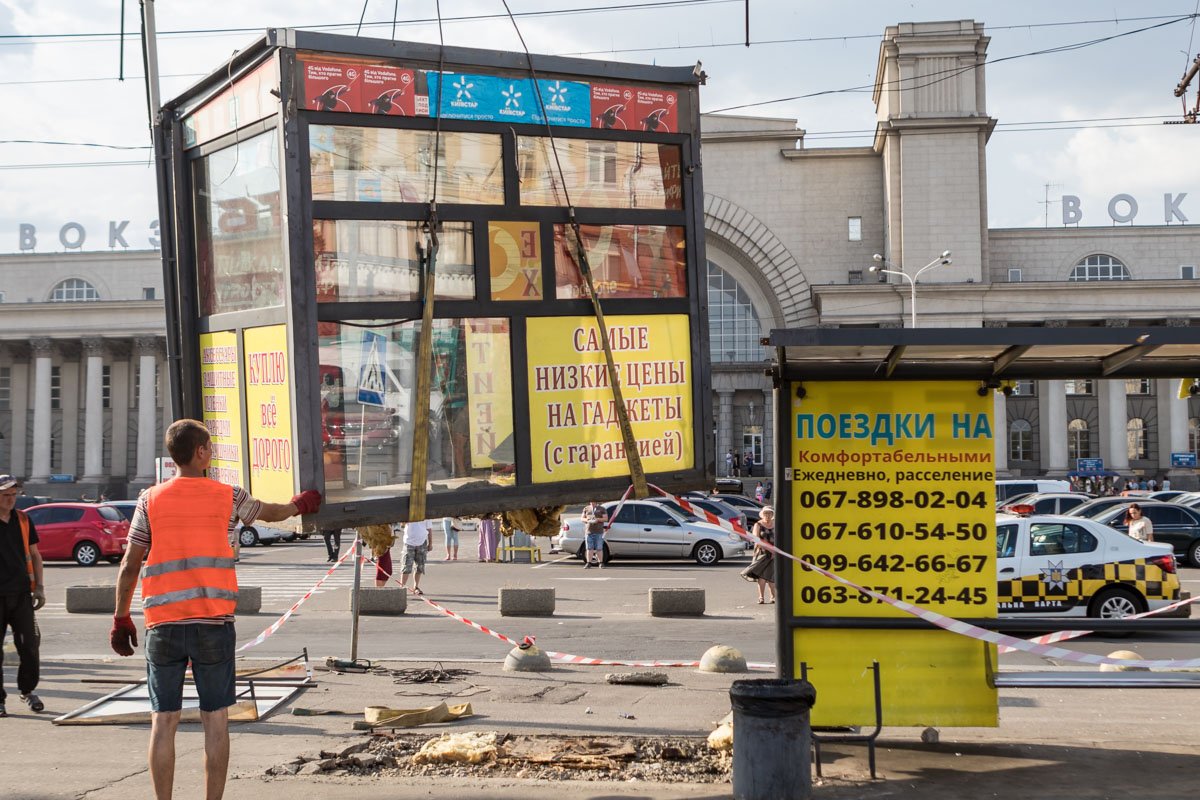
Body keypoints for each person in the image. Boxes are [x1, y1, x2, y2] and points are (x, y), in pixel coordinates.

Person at [110, 419, 321, 800]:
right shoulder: (227, 495)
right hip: (213, 622)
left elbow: (130, 563)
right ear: (200, 452)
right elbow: (270, 513)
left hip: (164, 625)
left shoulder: (149, 500)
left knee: (163, 720)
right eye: (210, 445)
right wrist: (300, 504)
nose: (213, 451)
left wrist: (121, 617)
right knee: (216, 720)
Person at [0, 474, 46, 718]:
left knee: (29, 645)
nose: (10, 500)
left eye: (13, 495)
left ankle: (28, 690)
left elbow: (35, 555)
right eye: (5, 495)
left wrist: (39, 587)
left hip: (21, 594)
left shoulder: (23, 520)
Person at [741, 506, 777, 603]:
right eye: (765, 513)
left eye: (769, 513)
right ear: (762, 514)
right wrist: (769, 549)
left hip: (774, 554)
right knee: (761, 576)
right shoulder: (758, 525)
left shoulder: (775, 525)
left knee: (771, 576)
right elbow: (756, 540)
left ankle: (773, 597)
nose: (767, 516)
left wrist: (775, 551)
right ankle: (761, 597)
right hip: (761, 553)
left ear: (772, 515)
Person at [398, 519, 433, 595]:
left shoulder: (426, 513)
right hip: (409, 542)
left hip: (422, 542)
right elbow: (402, 524)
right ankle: (401, 587)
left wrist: (430, 543)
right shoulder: (409, 511)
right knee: (406, 566)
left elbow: (429, 529)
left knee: (419, 567)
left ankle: (416, 587)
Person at [580, 500, 608, 569]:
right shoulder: (586, 508)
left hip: (598, 532)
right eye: (591, 501)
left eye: (594, 501)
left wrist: (597, 519)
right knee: (589, 548)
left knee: (599, 548)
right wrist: (587, 520)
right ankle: (588, 563)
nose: (592, 502)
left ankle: (601, 563)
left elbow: (606, 518)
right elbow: (582, 518)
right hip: (589, 532)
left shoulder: (601, 509)